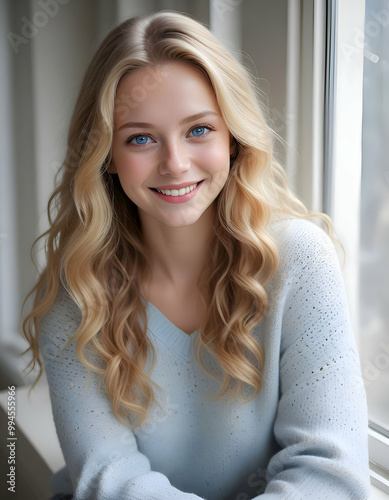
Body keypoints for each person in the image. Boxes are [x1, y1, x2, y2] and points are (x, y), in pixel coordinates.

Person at [23, 10, 370, 500]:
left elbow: (331, 475)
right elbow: (109, 479)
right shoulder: (77, 291)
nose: (175, 163)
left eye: (199, 130)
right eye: (140, 138)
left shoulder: (300, 261)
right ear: (106, 158)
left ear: (233, 137)